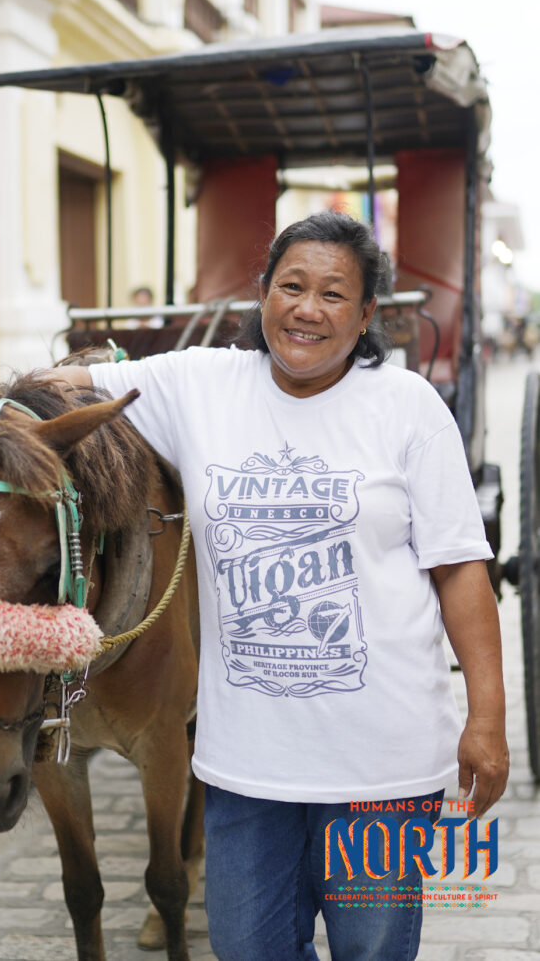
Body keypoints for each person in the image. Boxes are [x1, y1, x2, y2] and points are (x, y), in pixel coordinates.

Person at [51, 210, 509, 961]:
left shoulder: (408, 408)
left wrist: (486, 719)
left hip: (382, 773)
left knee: (372, 952)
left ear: (366, 315)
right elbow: (69, 386)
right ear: (262, 293)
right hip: (246, 769)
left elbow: (460, 569)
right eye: (291, 285)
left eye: (334, 294)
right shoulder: (199, 384)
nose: (307, 308)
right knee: (248, 949)